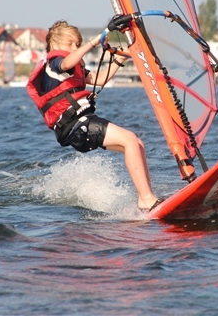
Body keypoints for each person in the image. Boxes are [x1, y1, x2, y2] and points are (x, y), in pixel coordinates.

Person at [26, 20, 162, 211]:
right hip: (75, 125)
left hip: (81, 123)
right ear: (55, 44)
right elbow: (67, 62)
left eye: (78, 44)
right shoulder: (55, 63)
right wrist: (93, 42)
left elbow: (99, 78)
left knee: (137, 144)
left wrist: (119, 59)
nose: (75, 48)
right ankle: (146, 199)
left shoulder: (73, 68)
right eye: (71, 43)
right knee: (130, 139)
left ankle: (148, 197)